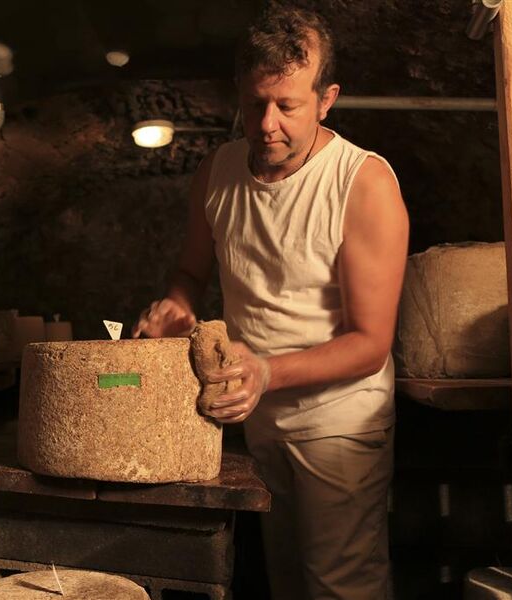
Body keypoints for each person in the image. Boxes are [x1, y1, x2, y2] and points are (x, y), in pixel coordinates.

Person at [132, 7, 409, 600]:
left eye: (288, 105)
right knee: (285, 580)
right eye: (256, 102)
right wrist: (177, 305)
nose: (267, 123)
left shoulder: (363, 183)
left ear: (327, 98)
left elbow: (370, 344)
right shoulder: (217, 171)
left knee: (341, 585)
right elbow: (189, 272)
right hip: (258, 415)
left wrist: (264, 371)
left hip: (338, 420)